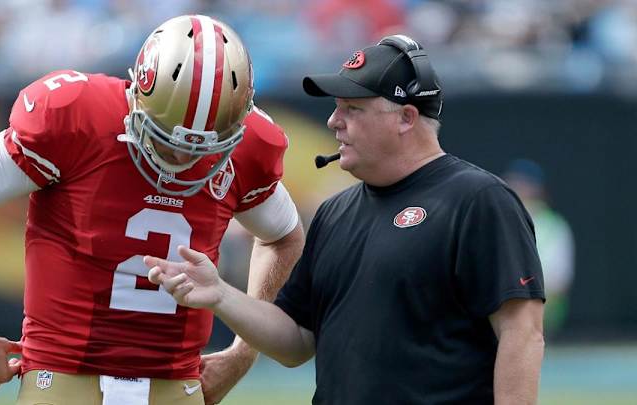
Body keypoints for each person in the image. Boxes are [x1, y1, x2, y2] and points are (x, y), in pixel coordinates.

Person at [0, 14, 305, 405]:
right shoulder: (75, 116)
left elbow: (284, 237)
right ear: (139, 93)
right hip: (63, 373)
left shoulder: (249, 147)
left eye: (203, 147)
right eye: (168, 140)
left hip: (176, 382)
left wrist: (242, 353)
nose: (182, 158)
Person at [146, 34, 546, 404]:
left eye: (353, 109)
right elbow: (296, 341)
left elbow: (522, 333)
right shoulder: (335, 213)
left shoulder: (478, 200)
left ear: (406, 118)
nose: (333, 121)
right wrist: (220, 294)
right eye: (336, 107)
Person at [503, 159, 575, 338]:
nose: (518, 187)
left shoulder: (553, 225)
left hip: (541, 306)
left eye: (523, 183)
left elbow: (557, 280)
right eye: (513, 182)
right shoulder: (500, 220)